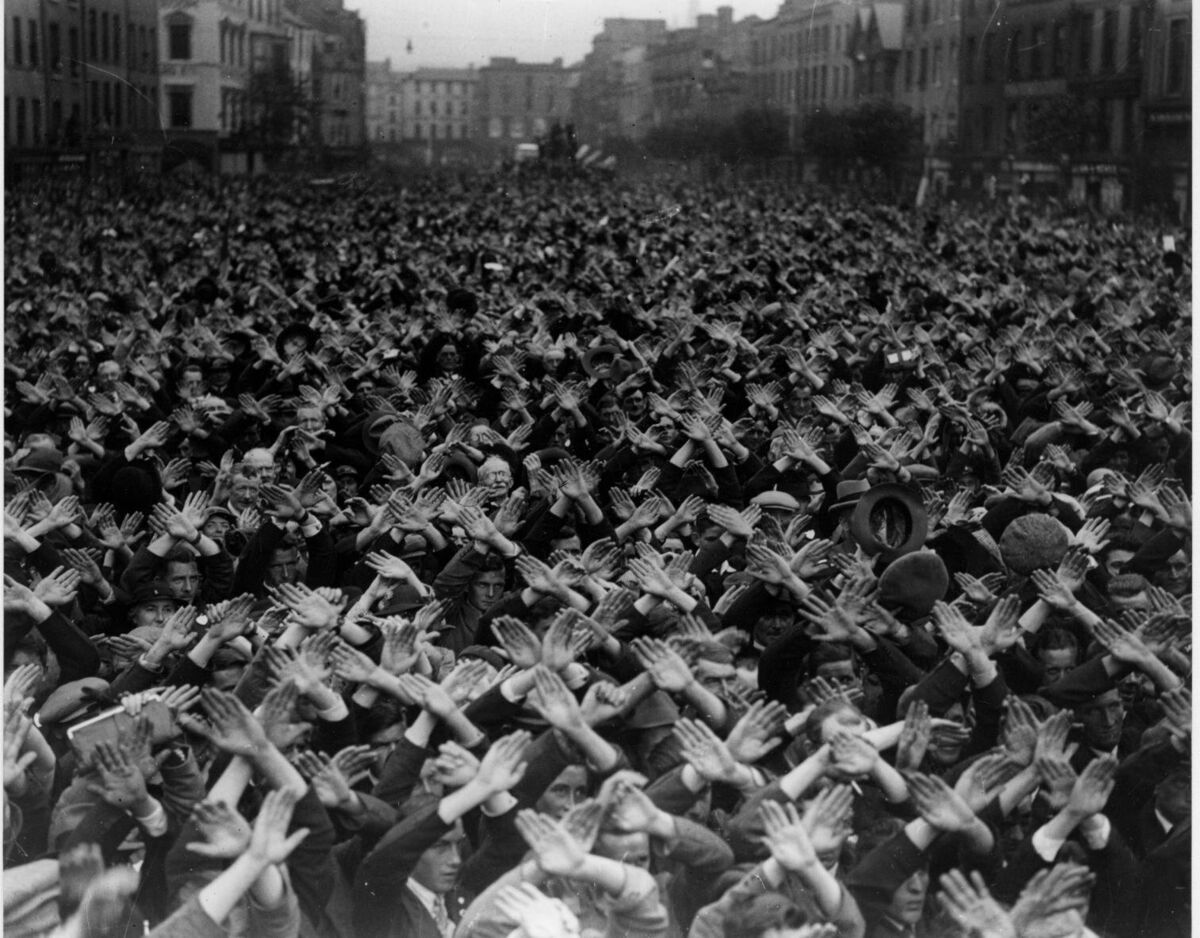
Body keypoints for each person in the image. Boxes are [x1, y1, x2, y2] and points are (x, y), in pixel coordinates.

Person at [0, 170, 1189, 938]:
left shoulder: (672, 856)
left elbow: (795, 805)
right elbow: (387, 827)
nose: (580, 816)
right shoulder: (474, 879)